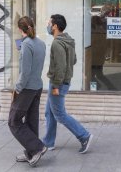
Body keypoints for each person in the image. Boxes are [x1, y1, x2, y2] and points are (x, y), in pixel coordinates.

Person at [43, 14, 93, 154]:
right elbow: (74, 60)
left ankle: (84, 136)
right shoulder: (68, 40)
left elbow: (60, 66)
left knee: (59, 114)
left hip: (57, 83)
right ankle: (48, 142)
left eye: (49, 23)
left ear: (55, 26)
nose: (47, 25)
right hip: (63, 81)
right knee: (49, 112)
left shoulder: (57, 43)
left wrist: (56, 86)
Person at [8, 16, 47, 167]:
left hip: (27, 88)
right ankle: (31, 152)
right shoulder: (41, 43)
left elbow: (25, 72)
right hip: (37, 86)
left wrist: (17, 89)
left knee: (14, 121)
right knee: (31, 120)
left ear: (20, 29)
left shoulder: (26, 45)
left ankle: (37, 147)